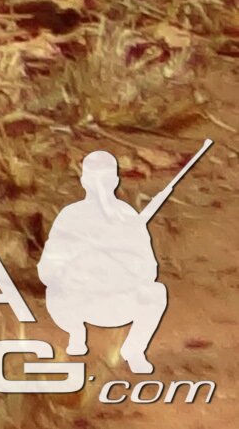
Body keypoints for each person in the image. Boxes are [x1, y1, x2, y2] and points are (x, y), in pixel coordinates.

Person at [39, 147, 182, 374]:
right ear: (84, 180)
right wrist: (76, 268)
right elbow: (48, 268)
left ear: (114, 180)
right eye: (94, 177)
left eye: (105, 178)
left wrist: (121, 268)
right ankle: (76, 334)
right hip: (77, 300)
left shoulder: (127, 217)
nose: (99, 184)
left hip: (116, 300)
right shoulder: (70, 216)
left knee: (155, 292)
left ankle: (134, 350)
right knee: (55, 291)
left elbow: (149, 269)